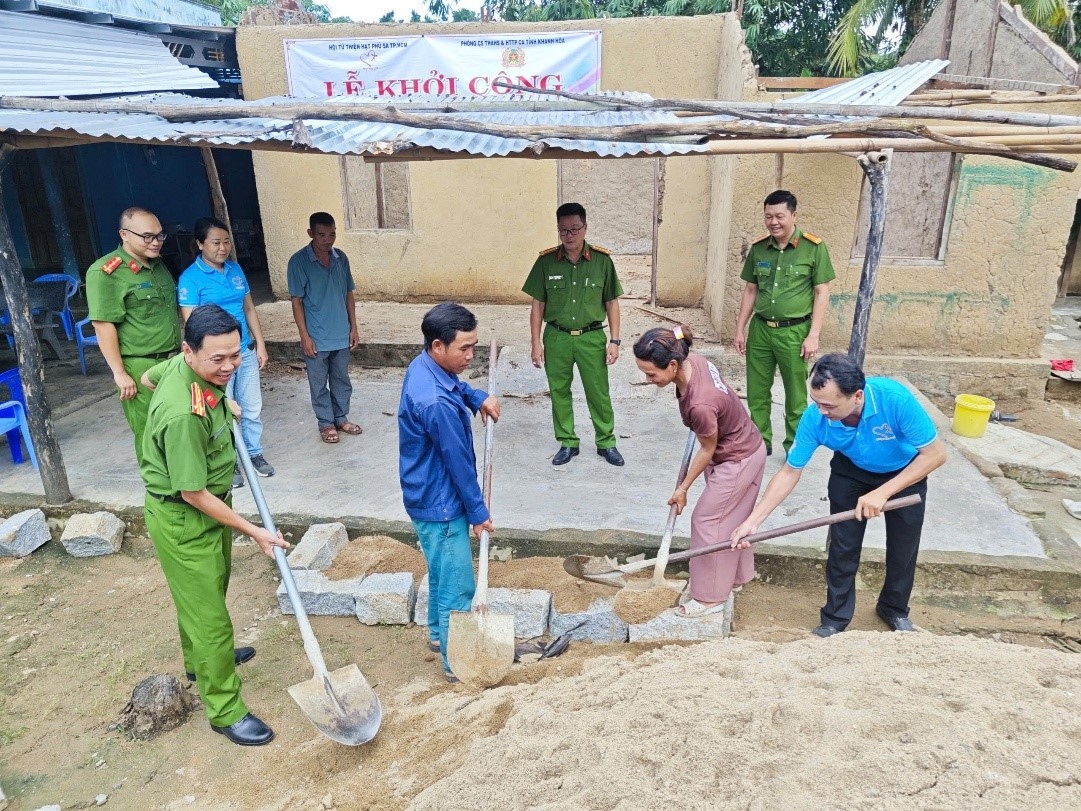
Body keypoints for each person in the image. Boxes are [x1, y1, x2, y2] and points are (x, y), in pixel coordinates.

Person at [140, 304, 289, 746]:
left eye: (235, 355)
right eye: (217, 360)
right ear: (189, 353)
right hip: (186, 518)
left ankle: (198, 663)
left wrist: (224, 399)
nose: (228, 366)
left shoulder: (183, 371)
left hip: (202, 513)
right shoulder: (184, 417)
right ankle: (225, 710)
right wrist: (256, 531)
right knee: (211, 619)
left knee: (208, 593)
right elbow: (193, 493)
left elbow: (149, 377)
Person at [730, 353, 947, 637]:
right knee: (843, 546)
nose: (820, 411)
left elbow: (935, 454)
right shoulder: (815, 418)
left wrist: (882, 493)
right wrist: (753, 521)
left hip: (904, 474)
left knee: (903, 548)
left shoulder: (894, 399)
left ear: (856, 396)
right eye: (815, 401)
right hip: (850, 473)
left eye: (828, 405)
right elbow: (789, 472)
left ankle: (893, 609)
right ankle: (835, 618)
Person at [397, 302, 500, 682]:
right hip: (440, 502)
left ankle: (439, 637)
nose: (470, 356)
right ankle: (456, 665)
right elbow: (458, 462)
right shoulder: (435, 402)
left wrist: (476, 396)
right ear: (438, 345)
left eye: (474, 347)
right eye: (464, 349)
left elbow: (455, 386)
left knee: (441, 572)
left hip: (425, 492)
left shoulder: (425, 367)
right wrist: (478, 512)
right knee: (459, 585)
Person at [633, 325, 767, 616]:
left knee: (708, 521)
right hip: (747, 446)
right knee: (734, 517)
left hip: (736, 460)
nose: (647, 379)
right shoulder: (693, 360)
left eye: (651, 374)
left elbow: (706, 449)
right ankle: (734, 579)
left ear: (671, 365)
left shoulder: (701, 403)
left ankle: (709, 598)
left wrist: (682, 489)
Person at [522, 202, 625, 467]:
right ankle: (567, 441)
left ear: (585, 228)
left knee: (598, 391)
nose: (569, 236)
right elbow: (538, 306)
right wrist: (535, 344)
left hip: (591, 337)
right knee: (559, 391)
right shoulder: (546, 263)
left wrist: (614, 340)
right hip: (557, 337)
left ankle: (606, 442)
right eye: (563, 230)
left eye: (574, 229)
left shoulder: (602, 261)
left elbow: (612, 302)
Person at [734, 190, 835, 456]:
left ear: (794, 215)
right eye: (769, 216)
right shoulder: (758, 249)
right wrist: (740, 329)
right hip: (760, 330)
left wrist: (813, 334)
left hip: (794, 332)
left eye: (780, 216)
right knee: (757, 391)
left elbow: (821, 292)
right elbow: (750, 290)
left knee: (795, 395)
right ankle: (759, 443)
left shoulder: (813, 248)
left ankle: (796, 446)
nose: (774, 222)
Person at [178, 217, 275, 489]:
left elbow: (249, 309)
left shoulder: (235, 270)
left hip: (242, 352)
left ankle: (254, 454)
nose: (223, 248)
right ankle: (229, 461)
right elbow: (192, 323)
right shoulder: (190, 279)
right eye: (216, 242)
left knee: (251, 407)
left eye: (226, 241)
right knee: (223, 409)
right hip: (216, 359)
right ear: (199, 244)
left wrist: (261, 344)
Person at [86, 206, 181, 466]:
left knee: (178, 428)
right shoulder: (106, 272)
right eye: (147, 236)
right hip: (139, 366)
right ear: (124, 235)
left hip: (173, 361)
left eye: (160, 236)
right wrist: (119, 373)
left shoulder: (159, 265)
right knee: (150, 433)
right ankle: (161, 497)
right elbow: (103, 326)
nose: (155, 242)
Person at [287, 212, 361, 444]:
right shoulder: (298, 262)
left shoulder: (341, 258)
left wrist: (354, 328)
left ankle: (340, 418)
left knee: (341, 380)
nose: (328, 240)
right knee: (318, 383)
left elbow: (348, 294)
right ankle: (326, 423)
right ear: (310, 233)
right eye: (321, 235)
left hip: (341, 333)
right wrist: (304, 337)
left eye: (332, 234)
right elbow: (296, 301)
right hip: (316, 337)